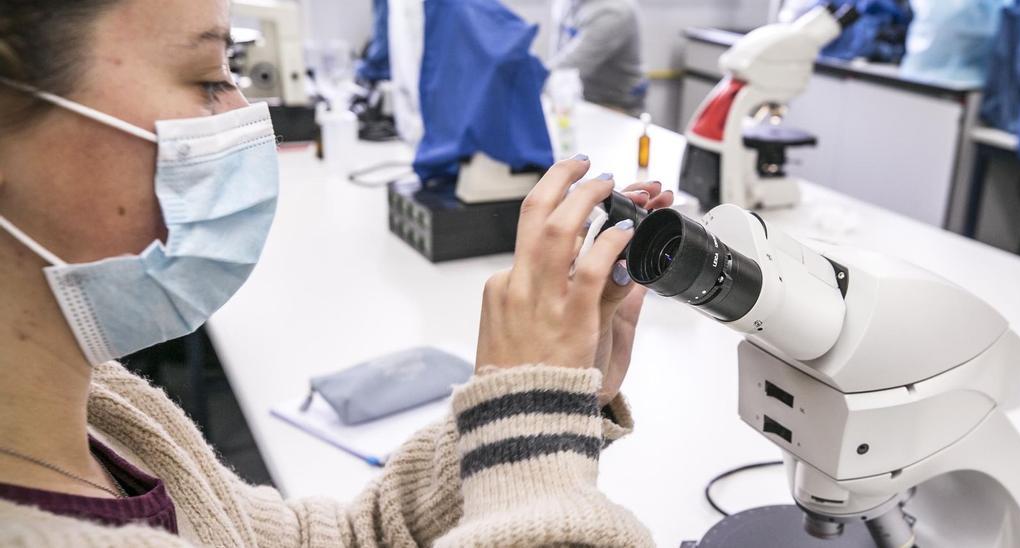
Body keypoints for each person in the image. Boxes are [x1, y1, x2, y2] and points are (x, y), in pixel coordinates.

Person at [0, 0, 673, 545]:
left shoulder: (100, 411)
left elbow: (337, 537)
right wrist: (529, 420)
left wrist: (532, 407)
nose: (247, 119)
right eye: (209, 81)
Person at [551, 0, 648, 115]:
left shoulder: (614, 11)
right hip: (582, 96)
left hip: (617, 105)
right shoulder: (566, 4)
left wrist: (533, 76)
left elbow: (571, 66)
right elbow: (558, 57)